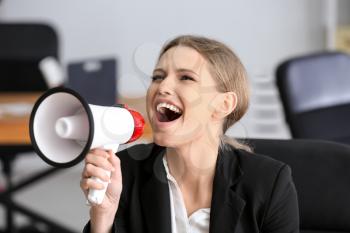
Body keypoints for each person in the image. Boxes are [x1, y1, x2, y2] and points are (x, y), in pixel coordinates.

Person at [81, 35, 299, 233]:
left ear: (223, 104)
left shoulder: (269, 183)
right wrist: (103, 214)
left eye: (186, 77)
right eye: (157, 77)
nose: (162, 87)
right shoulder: (125, 171)